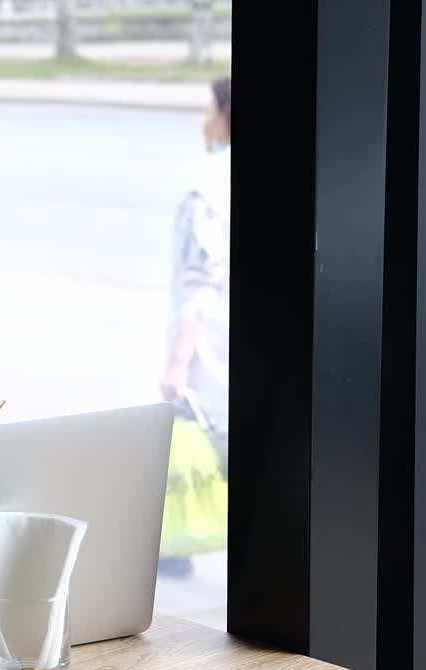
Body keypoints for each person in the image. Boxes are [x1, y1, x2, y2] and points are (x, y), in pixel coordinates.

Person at [157, 76, 231, 578]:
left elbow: (198, 282)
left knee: (209, 442)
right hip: (239, 339)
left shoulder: (205, 187)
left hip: (210, 345)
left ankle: (178, 547)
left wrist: (177, 363)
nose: (204, 120)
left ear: (226, 113)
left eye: (209, 108)